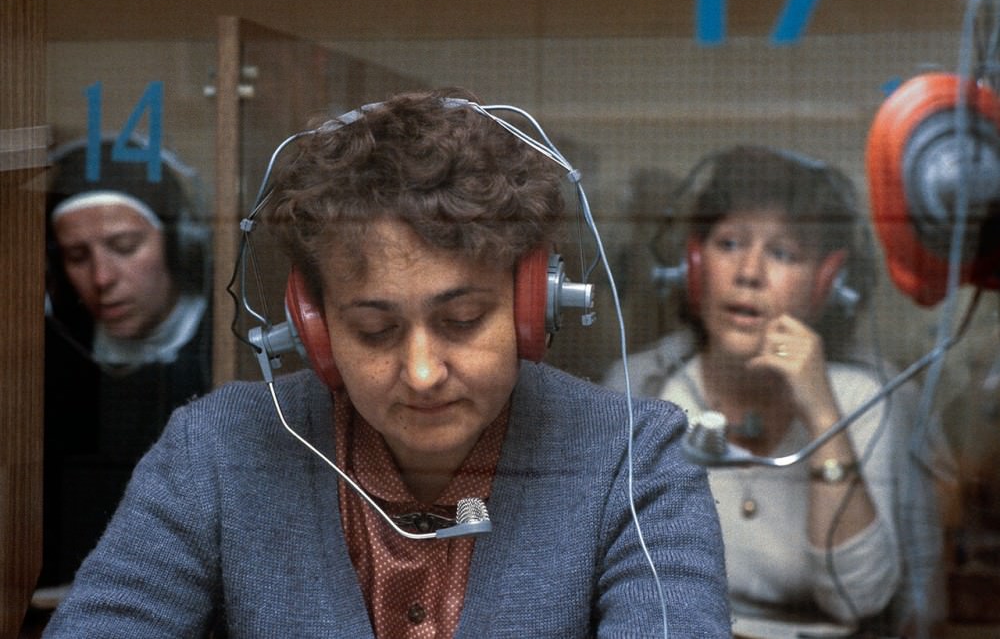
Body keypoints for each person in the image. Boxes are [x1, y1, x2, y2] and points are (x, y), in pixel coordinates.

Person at [42, 89, 729, 637]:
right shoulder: (215, 451)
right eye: (374, 329)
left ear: (531, 308)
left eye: (462, 321)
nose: (423, 371)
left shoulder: (635, 458)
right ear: (313, 329)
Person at [604, 145, 950, 633]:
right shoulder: (641, 391)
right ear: (695, 265)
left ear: (826, 283)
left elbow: (858, 599)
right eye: (729, 244)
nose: (749, 273)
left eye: (782, 253)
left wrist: (823, 415)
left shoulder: (864, 399)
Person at [39, 136, 212, 596]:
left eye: (125, 245)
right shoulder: (47, 359)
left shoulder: (228, 345)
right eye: (78, 257)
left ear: (180, 244)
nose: (101, 278)